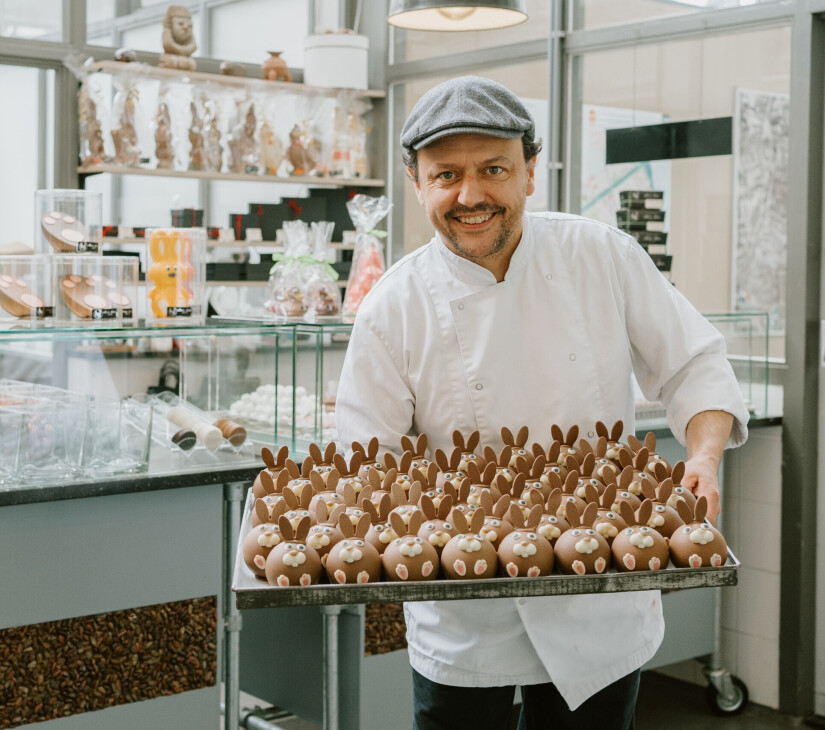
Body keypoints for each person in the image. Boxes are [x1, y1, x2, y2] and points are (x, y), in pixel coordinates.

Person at [335, 76, 748, 730]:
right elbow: (366, 458)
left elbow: (693, 361)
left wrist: (702, 455)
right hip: (465, 605)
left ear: (530, 172)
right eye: (445, 176)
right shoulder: (394, 306)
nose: (469, 196)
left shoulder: (598, 256)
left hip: (601, 593)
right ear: (417, 186)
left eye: (492, 169)